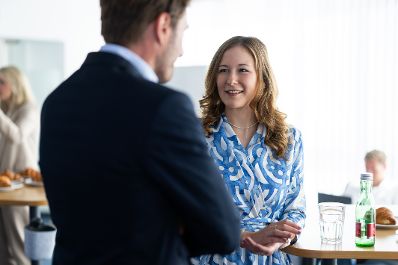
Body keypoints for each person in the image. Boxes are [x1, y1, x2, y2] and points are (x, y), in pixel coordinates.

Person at [39, 1, 241, 265]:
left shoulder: (56, 102)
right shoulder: (164, 108)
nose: (181, 50)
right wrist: (169, 228)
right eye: (183, 32)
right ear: (164, 26)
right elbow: (223, 231)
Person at [192, 36, 306, 265]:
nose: (231, 80)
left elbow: (296, 209)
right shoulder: (194, 135)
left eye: (242, 70)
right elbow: (185, 214)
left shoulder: (289, 138)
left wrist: (281, 240)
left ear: (261, 78)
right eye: (223, 70)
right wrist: (245, 237)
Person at [0, 66, 39, 265]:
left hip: (23, 183)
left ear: (15, 84)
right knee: (3, 247)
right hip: (5, 182)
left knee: (18, 243)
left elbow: (17, 136)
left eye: (1, 82)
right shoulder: (5, 109)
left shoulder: (29, 109)